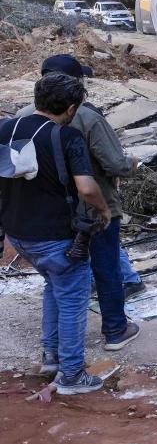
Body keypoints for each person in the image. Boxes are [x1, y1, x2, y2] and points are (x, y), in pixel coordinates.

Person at [0, 74, 116, 394]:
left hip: (19, 234)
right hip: (57, 237)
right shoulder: (67, 137)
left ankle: (51, 356)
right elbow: (87, 188)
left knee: (55, 287)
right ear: (71, 107)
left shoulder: (5, 129)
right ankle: (71, 375)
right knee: (73, 301)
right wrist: (105, 211)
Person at [19, 54, 145, 309]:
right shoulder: (87, 117)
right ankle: (116, 325)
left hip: (47, 210)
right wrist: (131, 164)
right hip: (92, 204)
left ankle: (57, 339)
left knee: (61, 274)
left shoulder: (22, 117)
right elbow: (112, 164)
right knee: (105, 262)